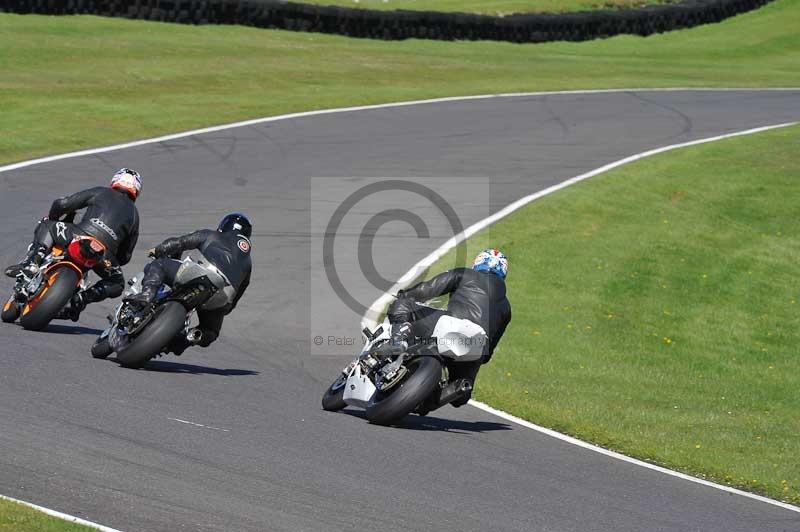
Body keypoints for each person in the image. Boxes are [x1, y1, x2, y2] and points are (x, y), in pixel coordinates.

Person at [4, 168, 142, 320]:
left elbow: (62, 204)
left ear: (115, 180)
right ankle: (82, 299)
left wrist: (54, 217)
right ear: (136, 190)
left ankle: (32, 263)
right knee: (117, 284)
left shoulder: (101, 192)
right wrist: (110, 256)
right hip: (103, 255)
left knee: (47, 224)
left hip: (77, 235)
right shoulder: (135, 216)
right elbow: (125, 256)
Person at [382, 248, 512, 407]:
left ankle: (398, 341)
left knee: (402, 305)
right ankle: (445, 393)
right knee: (461, 395)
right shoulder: (506, 307)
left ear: (478, 263)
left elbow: (428, 289)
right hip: (476, 346)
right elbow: (489, 352)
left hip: (451, 327)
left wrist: (405, 295)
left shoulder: (465, 274)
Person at [126, 213, 252, 355]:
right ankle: (187, 339)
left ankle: (147, 294)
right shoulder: (248, 263)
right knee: (210, 331)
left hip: (202, 274)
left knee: (159, 264)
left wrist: (158, 250)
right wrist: (224, 309)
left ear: (224, 226)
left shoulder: (212, 235)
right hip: (224, 295)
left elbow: (180, 243)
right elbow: (240, 290)